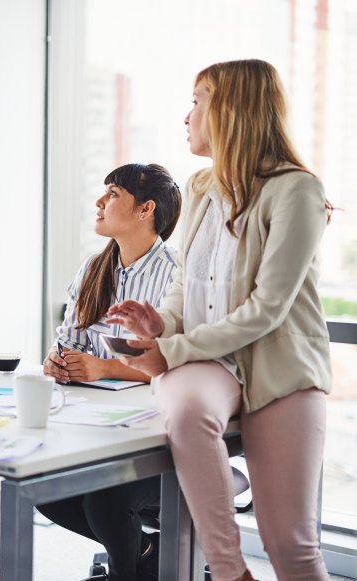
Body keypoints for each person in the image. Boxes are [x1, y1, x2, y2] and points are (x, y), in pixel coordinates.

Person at [107, 59, 333, 581]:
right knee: (185, 411)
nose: (187, 115)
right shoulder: (204, 187)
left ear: (230, 110)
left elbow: (268, 307)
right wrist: (158, 323)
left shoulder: (296, 190)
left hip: (280, 369)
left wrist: (173, 350)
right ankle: (231, 573)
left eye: (197, 101)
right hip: (214, 363)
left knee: (292, 549)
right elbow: (189, 289)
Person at [37, 163, 181, 581]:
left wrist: (104, 368)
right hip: (94, 426)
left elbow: (173, 360)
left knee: (104, 500)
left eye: (113, 194)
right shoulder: (92, 269)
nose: (100, 202)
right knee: (42, 486)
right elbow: (68, 340)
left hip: (156, 440)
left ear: (145, 209)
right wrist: (56, 361)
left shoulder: (175, 275)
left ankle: (128, 571)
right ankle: (146, 555)